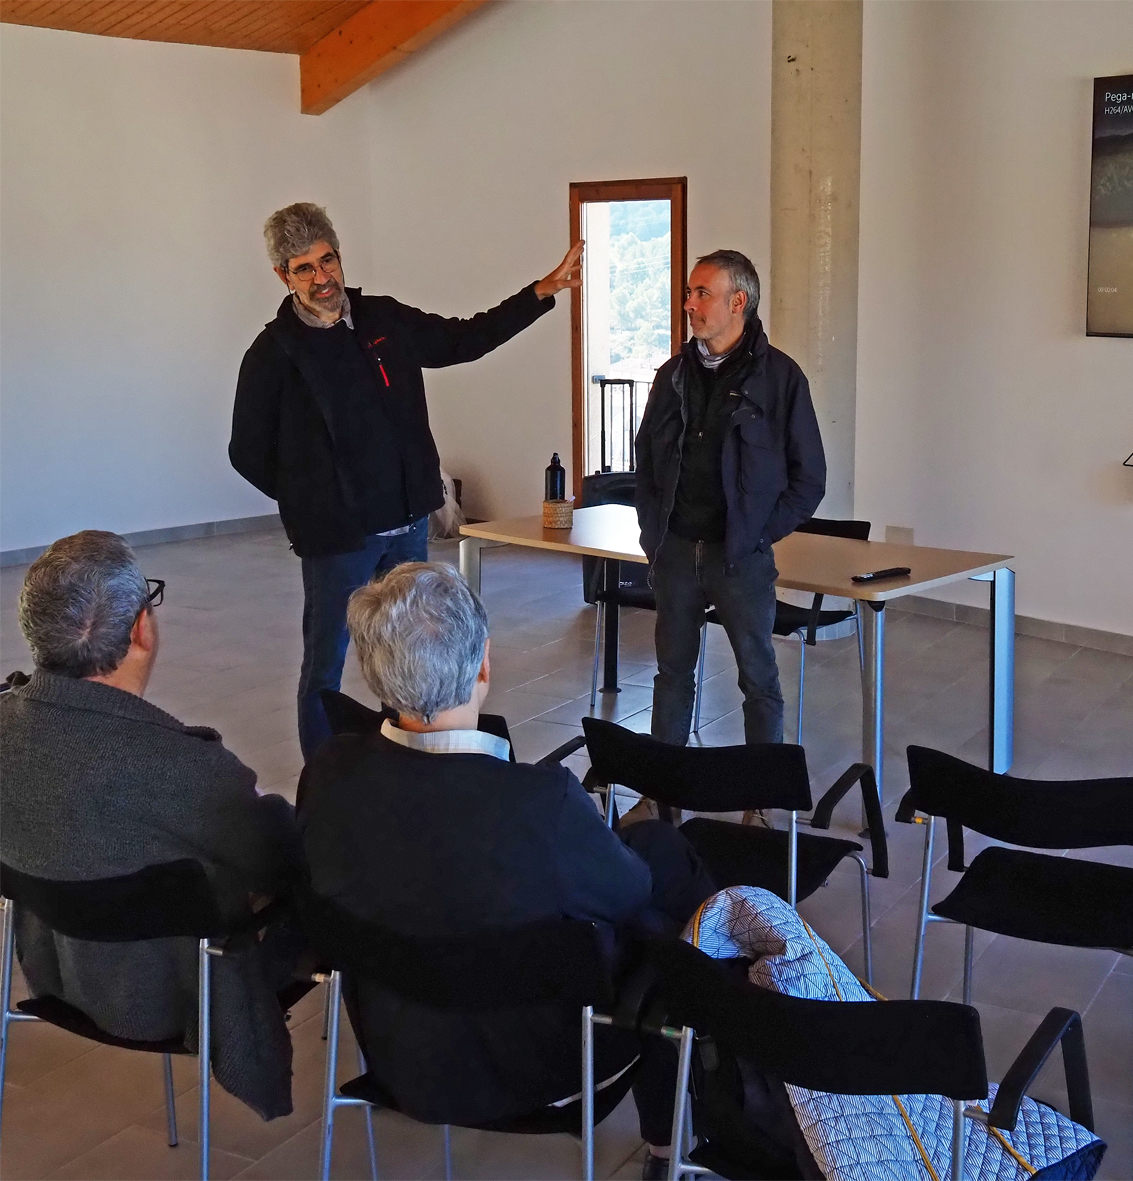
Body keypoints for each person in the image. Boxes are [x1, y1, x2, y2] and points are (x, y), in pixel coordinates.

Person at [296, 562, 713, 1178]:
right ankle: (670, 1136)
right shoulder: (540, 804)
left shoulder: (329, 775)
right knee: (663, 889)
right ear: (483, 666)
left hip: (398, 1055)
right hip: (546, 1070)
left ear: (375, 673)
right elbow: (628, 894)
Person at [230, 202, 584, 759]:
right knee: (325, 663)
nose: (322, 279)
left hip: (408, 524)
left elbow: (462, 340)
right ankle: (321, 778)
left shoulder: (382, 319)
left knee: (414, 654)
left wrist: (539, 292)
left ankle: (406, 763)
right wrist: (315, 500)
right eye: (305, 269)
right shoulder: (274, 354)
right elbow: (247, 452)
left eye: (328, 261)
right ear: (283, 276)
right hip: (338, 538)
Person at [0, 531, 303, 1119]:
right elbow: (283, 858)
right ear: (142, 629)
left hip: (56, 974)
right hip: (178, 998)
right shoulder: (183, 770)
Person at [633, 249, 826, 751]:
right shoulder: (671, 375)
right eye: (689, 294)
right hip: (675, 552)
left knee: (758, 680)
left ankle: (760, 803)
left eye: (702, 294)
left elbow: (810, 479)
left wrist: (759, 532)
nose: (689, 305)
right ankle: (661, 795)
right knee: (671, 677)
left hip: (740, 558)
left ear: (738, 301)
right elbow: (647, 464)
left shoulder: (781, 379)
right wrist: (653, 531)